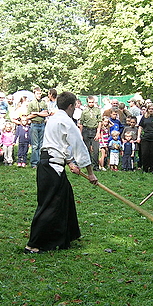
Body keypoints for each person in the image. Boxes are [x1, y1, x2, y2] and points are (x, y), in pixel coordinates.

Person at [24, 91, 98, 254]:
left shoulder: (53, 119)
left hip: (47, 163)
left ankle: (65, 236)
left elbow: (59, 144)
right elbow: (80, 147)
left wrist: (70, 162)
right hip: (52, 167)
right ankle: (34, 244)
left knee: (66, 195)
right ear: (71, 106)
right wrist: (90, 173)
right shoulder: (67, 121)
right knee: (49, 204)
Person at [27, 87, 49, 168]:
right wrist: (40, 113)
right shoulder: (31, 103)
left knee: (41, 145)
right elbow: (28, 116)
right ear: (34, 94)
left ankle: (40, 162)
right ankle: (34, 163)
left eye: (40, 93)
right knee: (35, 145)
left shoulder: (43, 103)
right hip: (34, 124)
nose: (39, 95)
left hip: (42, 124)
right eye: (37, 93)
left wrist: (36, 113)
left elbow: (46, 114)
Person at [137, 103, 153, 173]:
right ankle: (145, 168)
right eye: (149, 109)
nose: (151, 110)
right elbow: (140, 127)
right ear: (147, 109)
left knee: (152, 154)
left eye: (152, 109)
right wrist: (138, 137)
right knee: (144, 153)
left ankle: (152, 168)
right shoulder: (144, 117)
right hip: (145, 137)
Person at [79, 96, 102, 170]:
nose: (91, 104)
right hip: (86, 130)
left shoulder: (97, 110)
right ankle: (88, 166)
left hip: (94, 130)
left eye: (92, 102)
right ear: (87, 102)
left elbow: (99, 121)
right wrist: (80, 133)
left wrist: (98, 132)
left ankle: (96, 166)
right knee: (87, 149)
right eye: (89, 102)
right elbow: (81, 123)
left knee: (96, 150)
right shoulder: (84, 111)